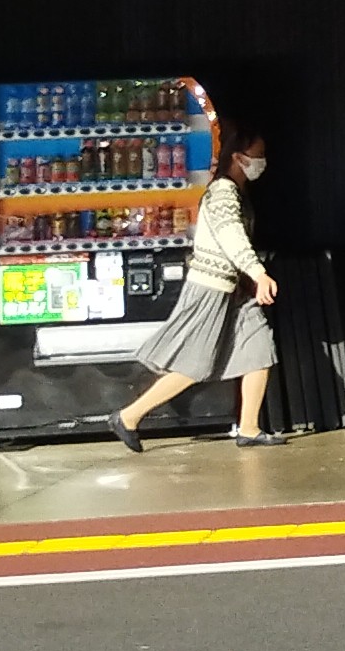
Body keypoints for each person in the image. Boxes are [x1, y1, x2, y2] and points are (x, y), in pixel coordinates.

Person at [115, 129, 282, 448]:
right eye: (258, 154)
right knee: (195, 364)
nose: (262, 162)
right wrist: (258, 272)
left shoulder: (236, 191)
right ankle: (128, 417)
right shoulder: (221, 192)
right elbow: (231, 236)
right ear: (239, 157)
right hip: (210, 287)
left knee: (259, 348)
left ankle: (248, 428)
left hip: (234, 290)